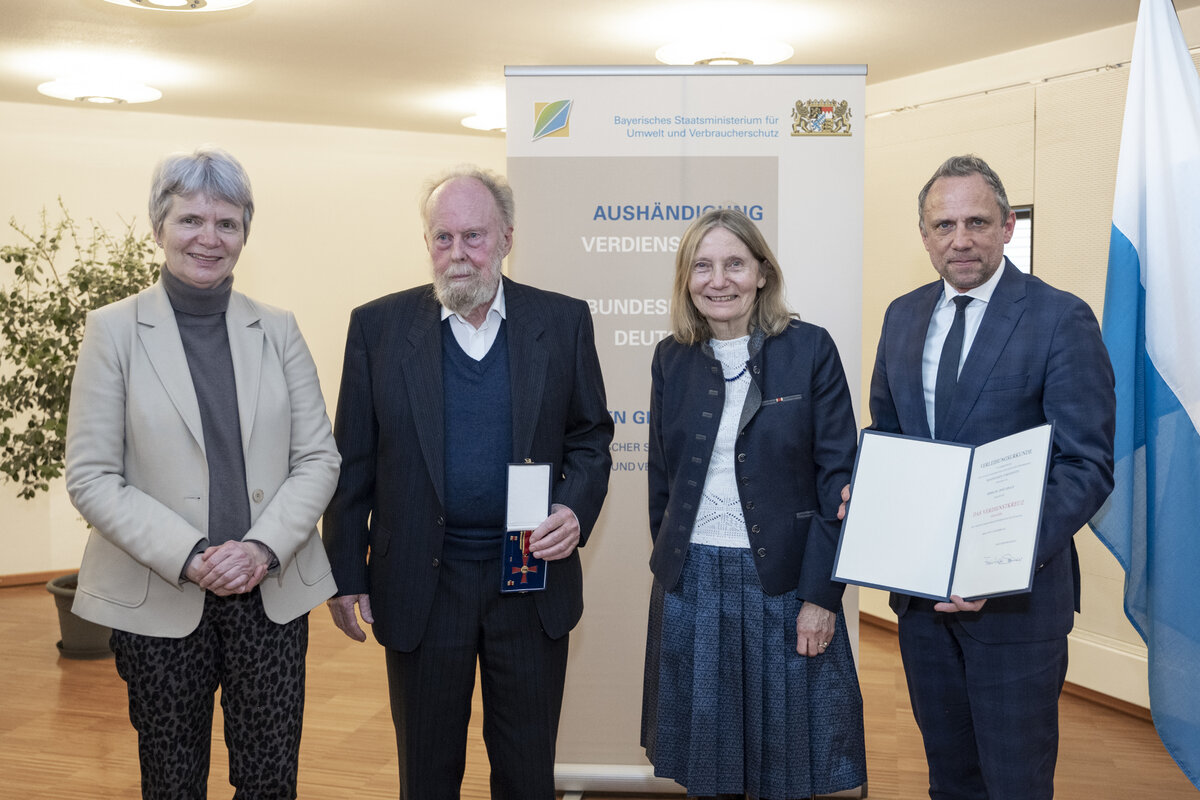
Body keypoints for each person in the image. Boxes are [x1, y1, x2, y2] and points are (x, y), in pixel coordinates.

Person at [321, 165, 613, 799]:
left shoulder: (560, 323)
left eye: (473, 237)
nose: (458, 254)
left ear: (507, 237)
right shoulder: (378, 329)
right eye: (443, 238)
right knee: (426, 776)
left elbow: (591, 436)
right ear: (426, 242)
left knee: (526, 772)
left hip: (529, 579)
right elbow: (353, 462)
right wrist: (346, 573)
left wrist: (573, 508)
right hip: (423, 584)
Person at [64, 145, 341, 799]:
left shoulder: (277, 329)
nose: (208, 239)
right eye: (191, 220)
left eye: (227, 223)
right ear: (158, 226)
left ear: (245, 231)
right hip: (159, 595)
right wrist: (191, 555)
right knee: (171, 780)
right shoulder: (113, 333)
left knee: (270, 781)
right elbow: (92, 475)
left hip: (268, 596)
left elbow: (318, 457)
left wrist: (262, 549)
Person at [868, 154, 1116, 799]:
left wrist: (994, 562)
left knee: (1015, 783)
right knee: (949, 779)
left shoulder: (1060, 318)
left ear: (1007, 226)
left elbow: (1085, 465)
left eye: (977, 221)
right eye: (943, 224)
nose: (960, 239)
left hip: (1016, 604)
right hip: (922, 601)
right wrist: (866, 489)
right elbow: (891, 435)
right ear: (924, 235)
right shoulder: (902, 317)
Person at [641, 208, 867, 799]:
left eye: (735, 264)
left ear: (762, 273)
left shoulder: (810, 349)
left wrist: (822, 595)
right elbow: (661, 482)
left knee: (785, 769)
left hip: (786, 586)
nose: (719, 280)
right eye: (703, 266)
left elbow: (838, 483)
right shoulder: (672, 357)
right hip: (692, 588)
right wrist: (669, 572)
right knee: (706, 768)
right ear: (686, 279)